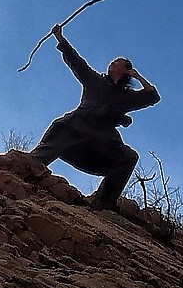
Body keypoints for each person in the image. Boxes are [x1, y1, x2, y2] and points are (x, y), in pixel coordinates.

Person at [28, 24, 160, 211]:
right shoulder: (94, 80)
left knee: (128, 157)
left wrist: (138, 77)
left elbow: (153, 96)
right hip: (75, 128)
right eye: (113, 61)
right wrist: (60, 39)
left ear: (126, 70)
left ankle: (104, 203)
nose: (113, 63)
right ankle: (24, 168)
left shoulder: (126, 97)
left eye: (118, 62)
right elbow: (77, 62)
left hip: (101, 140)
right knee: (42, 153)